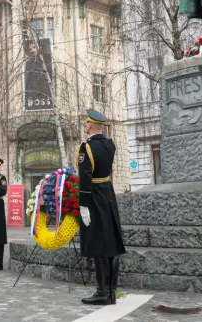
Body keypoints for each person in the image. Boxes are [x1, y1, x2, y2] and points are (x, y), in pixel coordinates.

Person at [77, 108, 126, 306]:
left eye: (86, 124)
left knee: (99, 244)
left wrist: (83, 205)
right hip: (108, 193)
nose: (85, 126)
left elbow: (85, 178)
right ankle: (111, 291)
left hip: (94, 196)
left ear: (90, 126)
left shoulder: (86, 148)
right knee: (111, 243)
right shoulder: (110, 144)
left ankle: (102, 292)